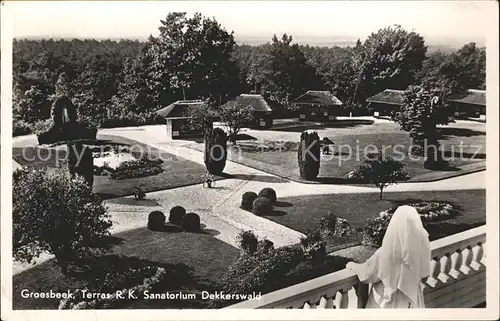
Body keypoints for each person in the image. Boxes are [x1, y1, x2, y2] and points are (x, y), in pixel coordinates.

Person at [346, 205, 431, 308]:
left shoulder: (385, 253)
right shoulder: (420, 251)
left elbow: (366, 274)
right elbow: (425, 276)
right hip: (411, 302)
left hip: (387, 304)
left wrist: (353, 266)